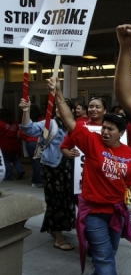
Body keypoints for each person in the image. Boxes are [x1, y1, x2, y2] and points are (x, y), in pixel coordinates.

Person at [48, 78, 131, 275]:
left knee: (109, 253)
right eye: (103, 128)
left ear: (121, 132)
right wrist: (58, 94)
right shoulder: (92, 142)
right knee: (104, 258)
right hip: (93, 212)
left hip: (117, 212)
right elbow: (69, 121)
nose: (105, 132)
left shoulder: (128, 153)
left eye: (110, 129)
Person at [19, 97, 76, 251]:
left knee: (66, 201)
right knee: (55, 202)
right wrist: (26, 110)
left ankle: (55, 227)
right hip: (53, 169)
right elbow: (28, 129)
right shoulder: (51, 123)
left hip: (70, 170)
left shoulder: (75, 126)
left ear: (70, 110)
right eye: (57, 106)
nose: (58, 109)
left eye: (62, 106)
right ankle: (58, 238)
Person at [19, 104, 44, 187]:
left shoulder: (26, 121)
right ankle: (38, 178)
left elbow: (23, 133)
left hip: (31, 143)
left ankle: (38, 181)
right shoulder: (43, 120)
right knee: (41, 162)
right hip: (40, 142)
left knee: (34, 162)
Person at [0, 108, 25, 181]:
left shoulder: (1, 123)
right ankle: (20, 170)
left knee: (6, 160)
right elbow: (18, 133)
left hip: (5, 144)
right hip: (14, 144)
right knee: (14, 159)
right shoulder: (15, 123)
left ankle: (9, 175)